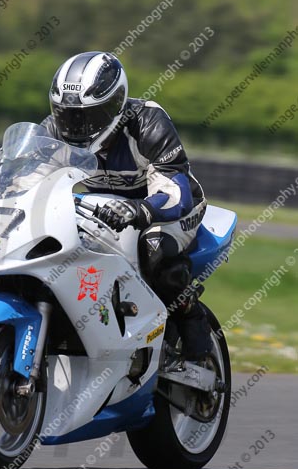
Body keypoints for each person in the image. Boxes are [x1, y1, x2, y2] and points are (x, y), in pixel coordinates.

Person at [43, 50, 212, 363]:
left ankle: (193, 325)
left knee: (154, 247)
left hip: (171, 209)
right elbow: (28, 176)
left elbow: (175, 189)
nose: (75, 125)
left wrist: (142, 211)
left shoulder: (147, 122)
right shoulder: (53, 131)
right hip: (104, 211)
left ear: (115, 105)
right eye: (67, 114)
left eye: (87, 115)